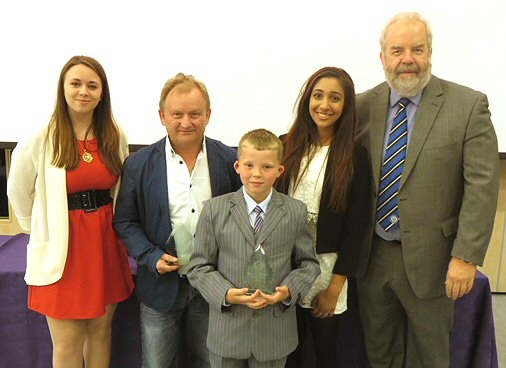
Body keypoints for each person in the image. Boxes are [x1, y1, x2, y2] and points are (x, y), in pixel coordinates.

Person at [355, 12, 499, 367]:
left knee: (431, 358)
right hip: (372, 258)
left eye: (417, 49)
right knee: (379, 355)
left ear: (430, 52)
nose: (407, 59)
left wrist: (465, 257)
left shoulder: (468, 106)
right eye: (397, 50)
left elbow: (481, 186)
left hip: (436, 261)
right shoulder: (360, 107)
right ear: (383, 57)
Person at [7, 55, 134, 368]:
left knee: (101, 333)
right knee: (67, 343)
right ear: (62, 88)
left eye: (92, 85)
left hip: (105, 244)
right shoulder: (42, 137)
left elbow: (121, 189)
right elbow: (17, 190)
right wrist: (33, 227)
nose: (83, 91)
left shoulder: (114, 134)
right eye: (75, 83)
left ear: (102, 93)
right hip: (63, 251)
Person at [114, 72, 242, 368]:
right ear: (162, 116)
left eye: (195, 113)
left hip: (213, 286)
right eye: (177, 114)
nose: (186, 122)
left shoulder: (229, 161)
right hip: (160, 286)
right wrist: (151, 256)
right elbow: (126, 222)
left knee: (212, 363)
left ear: (208, 115)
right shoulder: (139, 164)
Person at [187, 128, 320, 368]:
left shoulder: (295, 211)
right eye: (249, 165)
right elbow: (198, 266)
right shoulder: (214, 210)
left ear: (280, 170)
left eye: (267, 167)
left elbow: (308, 264)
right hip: (227, 331)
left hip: (274, 332)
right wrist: (226, 293)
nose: (256, 174)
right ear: (237, 167)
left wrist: (288, 290)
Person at [275, 67, 372, 368]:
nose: (324, 105)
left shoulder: (355, 154)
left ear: (346, 106)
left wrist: (335, 287)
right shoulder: (284, 145)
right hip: (284, 265)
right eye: (318, 96)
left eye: (335, 98)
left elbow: (358, 226)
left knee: (325, 352)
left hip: (327, 270)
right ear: (307, 99)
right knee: (287, 352)